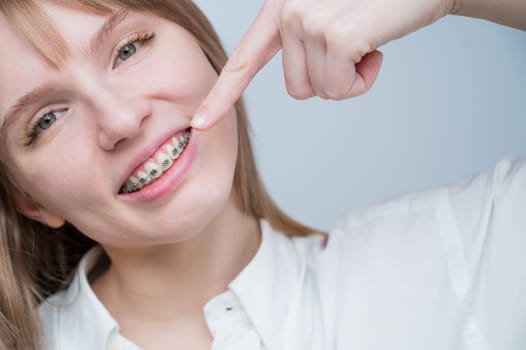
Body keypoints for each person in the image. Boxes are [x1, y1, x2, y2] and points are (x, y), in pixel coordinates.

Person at [0, 1, 523, 350]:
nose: (119, 120)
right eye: (46, 120)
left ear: (202, 46)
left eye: (128, 48)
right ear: (28, 198)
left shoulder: (447, 257)